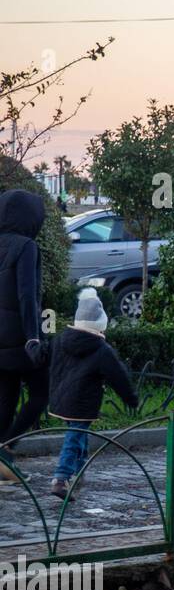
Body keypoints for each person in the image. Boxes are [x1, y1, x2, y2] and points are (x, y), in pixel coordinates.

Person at [48, 288, 139, 499]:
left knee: (81, 434)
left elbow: (47, 360)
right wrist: (131, 399)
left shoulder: (61, 340)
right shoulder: (101, 349)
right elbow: (118, 376)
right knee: (75, 436)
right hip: (82, 402)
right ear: (100, 323)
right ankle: (61, 478)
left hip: (61, 399)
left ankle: (80, 472)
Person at [0, 189, 49, 480]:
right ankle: (6, 448)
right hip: (19, 338)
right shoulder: (26, 246)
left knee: (6, 397)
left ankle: (2, 460)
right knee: (42, 393)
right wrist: (34, 337)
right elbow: (27, 295)